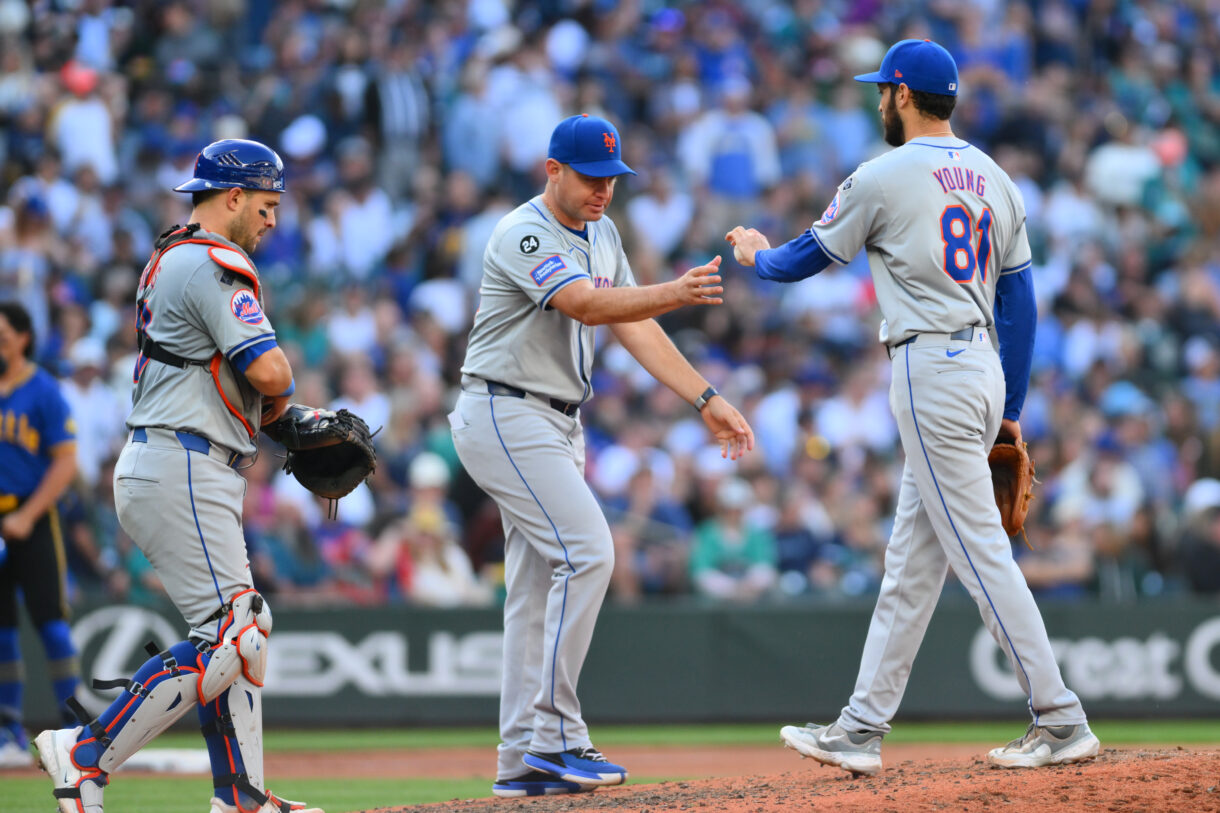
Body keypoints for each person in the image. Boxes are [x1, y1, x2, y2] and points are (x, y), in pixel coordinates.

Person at [726, 39, 1098, 775]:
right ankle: (862, 725)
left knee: (980, 553)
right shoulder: (996, 176)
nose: (876, 101)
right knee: (911, 563)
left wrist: (755, 256)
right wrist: (1012, 405)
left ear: (901, 94)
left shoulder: (883, 173)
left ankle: (1059, 717)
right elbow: (1020, 301)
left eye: (881, 90)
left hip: (931, 366)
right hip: (982, 363)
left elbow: (806, 257)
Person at [451, 113, 754, 798]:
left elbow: (633, 323)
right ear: (552, 170)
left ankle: (520, 757)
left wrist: (704, 396)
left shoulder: (603, 231)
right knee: (589, 552)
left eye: (612, 179)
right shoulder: (524, 229)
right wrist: (676, 291)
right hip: (505, 408)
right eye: (591, 177)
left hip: (554, 420)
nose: (603, 191)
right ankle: (556, 734)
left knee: (534, 588)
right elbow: (587, 305)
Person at [33, 139, 322, 813]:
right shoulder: (210, 262)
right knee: (235, 631)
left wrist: (267, 409)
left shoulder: (175, 254)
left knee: (241, 628)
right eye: (267, 203)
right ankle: (84, 753)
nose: (274, 218)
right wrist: (281, 402)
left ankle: (241, 796)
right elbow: (271, 370)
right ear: (233, 197)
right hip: (182, 461)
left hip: (183, 459)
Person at [0, 301, 81, 768]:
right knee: (2, 630)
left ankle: (74, 725)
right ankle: (8, 724)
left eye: (4, 335)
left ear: (23, 338)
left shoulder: (43, 390)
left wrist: (28, 515)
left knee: (51, 622)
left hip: (31, 520)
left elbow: (65, 462)